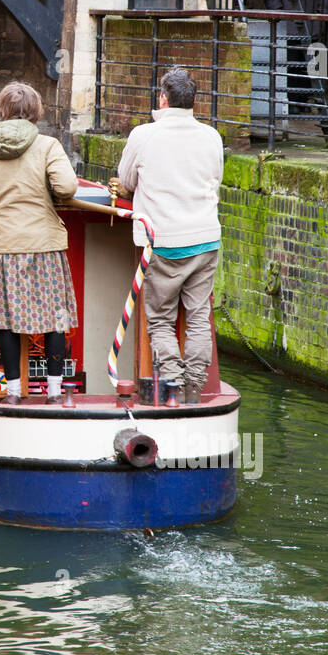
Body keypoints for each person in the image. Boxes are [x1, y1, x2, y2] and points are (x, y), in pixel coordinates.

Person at [110, 67, 223, 404]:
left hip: (162, 241)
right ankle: (195, 387)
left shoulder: (143, 136)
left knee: (160, 318)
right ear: (193, 102)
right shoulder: (212, 137)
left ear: (163, 98)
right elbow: (214, 180)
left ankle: (172, 382)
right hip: (205, 238)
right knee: (199, 314)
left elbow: (126, 180)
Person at [0, 81, 79, 405]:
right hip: (45, 245)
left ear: (2, 110)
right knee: (55, 319)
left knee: (7, 322)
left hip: (6, 247)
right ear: (35, 111)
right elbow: (67, 187)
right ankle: (53, 393)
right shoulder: (48, 146)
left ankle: (12, 394)